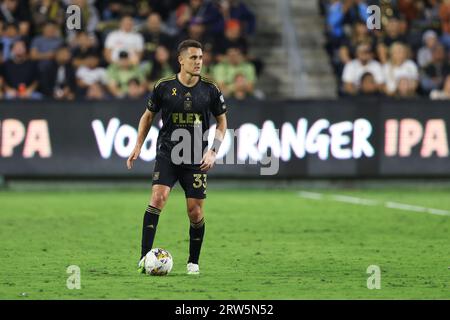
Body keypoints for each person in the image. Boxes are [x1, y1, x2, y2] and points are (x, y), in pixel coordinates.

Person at [127, 39, 228, 275]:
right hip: (167, 154)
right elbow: (147, 117)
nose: (198, 62)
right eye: (193, 58)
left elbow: (222, 121)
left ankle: (193, 261)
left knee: (195, 211)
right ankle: (144, 257)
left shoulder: (211, 89)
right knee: (158, 197)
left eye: (201, 58)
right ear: (180, 60)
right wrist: (138, 145)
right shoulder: (163, 86)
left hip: (195, 158)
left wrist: (213, 150)